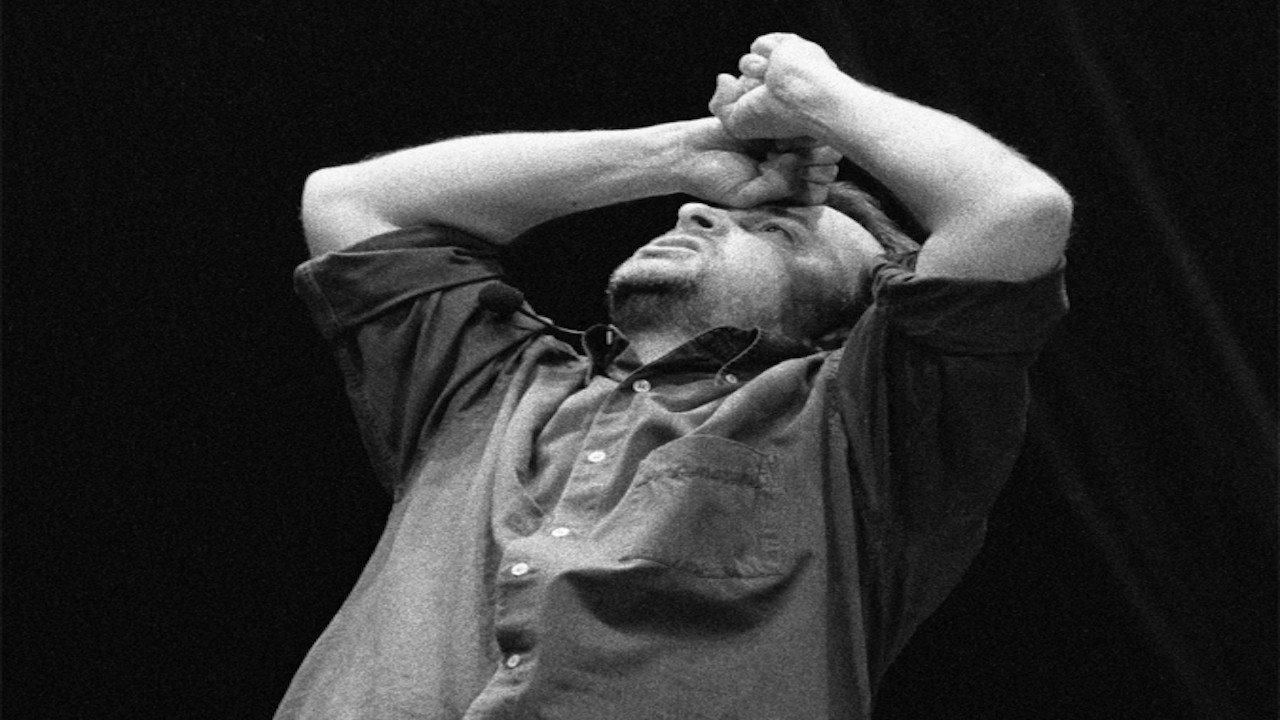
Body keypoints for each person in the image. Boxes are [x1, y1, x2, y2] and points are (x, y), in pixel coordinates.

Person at [278, 32, 1071, 720]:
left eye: (774, 228)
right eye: (704, 205)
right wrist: (678, 154)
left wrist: (817, 97)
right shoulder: (492, 383)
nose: (694, 211)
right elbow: (353, 202)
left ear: (845, 322)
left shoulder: (862, 430)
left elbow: (1013, 210)